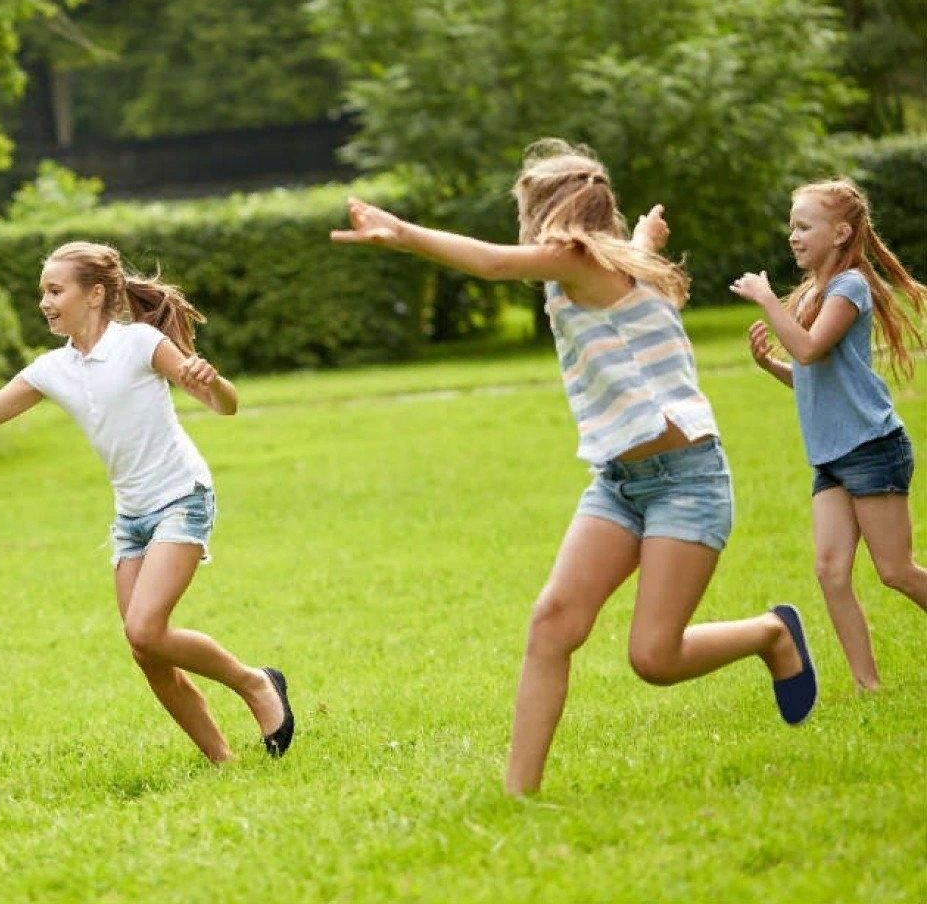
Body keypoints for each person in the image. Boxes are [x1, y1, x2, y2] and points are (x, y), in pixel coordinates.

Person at [331, 139, 815, 796]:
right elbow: (627, 254)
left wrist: (402, 234)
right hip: (618, 485)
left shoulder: (575, 261)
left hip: (686, 482)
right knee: (552, 622)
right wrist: (644, 232)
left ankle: (769, 633)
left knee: (653, 657)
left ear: (546, 219)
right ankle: (517, 795)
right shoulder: (619, 261)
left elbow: (493, 261)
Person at [0, 241, 294, 763]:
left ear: (94, 295)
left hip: (181, 495)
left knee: (145, 628)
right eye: (41, 292)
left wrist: (216, 383)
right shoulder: (51, 369)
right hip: (131, 516)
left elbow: (223, 406)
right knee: (145, 652)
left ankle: (254, 685)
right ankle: (221, 761)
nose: (44, 302)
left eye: (54, 290)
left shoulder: (140, 343)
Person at [731, 178, 927, 690]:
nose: (792, 236)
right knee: (831, 571)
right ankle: (869, 687)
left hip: (871, 447)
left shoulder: (850, 287)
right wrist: (769, 363)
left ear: (840, 233)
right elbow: (811, 375)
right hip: (832, 457)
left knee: (896, 571)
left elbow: (813, 348)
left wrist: (768, 300)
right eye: (791, 226)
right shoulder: (816, 292)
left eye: (803, 226)